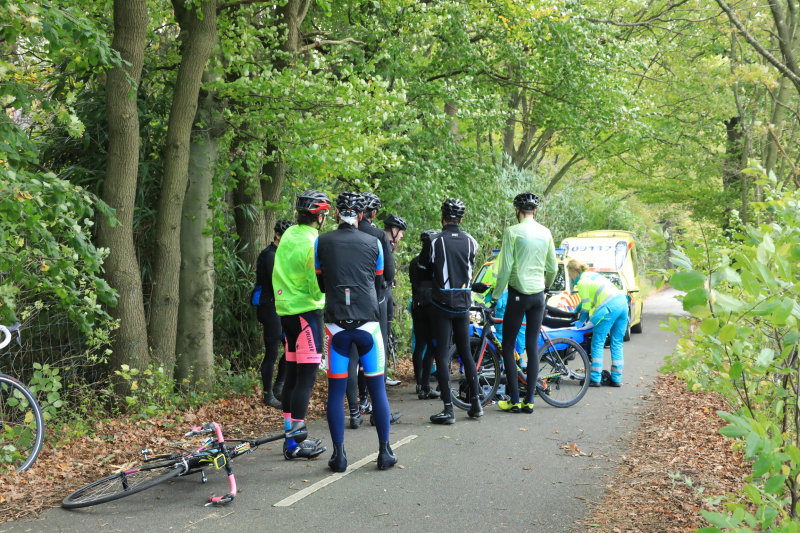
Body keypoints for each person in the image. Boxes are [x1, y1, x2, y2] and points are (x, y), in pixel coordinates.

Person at [316, 192, 397, 472]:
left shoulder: (321, 242)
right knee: (378, 390)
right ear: (361, 216)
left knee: (335, 392)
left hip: (335, 325)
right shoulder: (374, 241)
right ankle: (385, 452)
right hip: (368, 324)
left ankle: (339, 456)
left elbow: (322, 285)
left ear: (337, 214)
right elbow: (379, 283)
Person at [272, 190, 330, 460]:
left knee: (293, 376)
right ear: (319, 216)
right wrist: (324, 295)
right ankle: (296, 444)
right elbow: (314, 280)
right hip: (307, 313)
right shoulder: (313, 241)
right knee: (306, 378)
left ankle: (289, 438)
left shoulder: (287, 236)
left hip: (286, 313)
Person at [491, 192, 557, 414]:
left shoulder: (512, 232)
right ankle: (530, 400)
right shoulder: (546, 232)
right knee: (532, 346)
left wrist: (495, 296)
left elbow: (505, 268)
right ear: (535, 211)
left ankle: (514, 399)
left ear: (517, 211)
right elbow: (553, 268)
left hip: (517, 294)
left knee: (508, 346)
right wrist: (546, 286)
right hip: (538, 295)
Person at [421, 198, 484, 424]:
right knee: (465, 352)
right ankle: (476, 402)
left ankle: (448, 409)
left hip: (440, 304)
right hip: (463, 304)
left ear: (442, 217)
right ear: (461, 219)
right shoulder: (471, 241)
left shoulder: (434, 241)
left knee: (442, 353)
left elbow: (425, 268)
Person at [358, 193, 402, 424]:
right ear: (373, 214)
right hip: (377, 298)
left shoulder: (339, 236)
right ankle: (377, 410)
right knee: (378, 351)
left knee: (353, 354)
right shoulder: (377, 235)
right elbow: (389, 271)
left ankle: (357, 407)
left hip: (347, 303)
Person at [252, 219, 293, 408]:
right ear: (278, 235)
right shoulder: (270, 254)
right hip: (268, 306)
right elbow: (277, 282)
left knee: (290, 346)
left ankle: (279, 387)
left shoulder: (281, 254)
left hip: (281, 306)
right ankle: (268, 395)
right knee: (272, 351)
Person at [567, 259, 627, 387]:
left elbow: (586, 307)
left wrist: (581, 321)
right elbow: (586, 301)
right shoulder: (591, 275)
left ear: (574, 271)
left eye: (569, 273)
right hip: (622, 304)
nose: (570, 277)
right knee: (617, 343)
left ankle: (595, 378)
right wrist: (575, 310)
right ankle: (616, 379)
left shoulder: (582, 282)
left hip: (610, 309)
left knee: (597, 342)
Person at [409, 230, 440, 399]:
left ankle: (420, 383)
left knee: (420, 344)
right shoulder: (433, 262)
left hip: (416, 304)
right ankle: (429, 384)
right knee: (433, 346)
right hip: (430, 305)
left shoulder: (415, 262)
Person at [382, 214, 407, 386]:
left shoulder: (389, 245)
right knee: (383, 337)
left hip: (386, 293)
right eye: (401, 232)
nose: (402, 236)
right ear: (394, 230)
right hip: (381, 296)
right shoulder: (383, 242)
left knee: (386, 336)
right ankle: (381, 375)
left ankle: (383, 373)